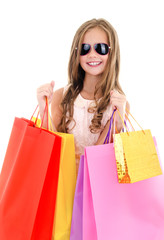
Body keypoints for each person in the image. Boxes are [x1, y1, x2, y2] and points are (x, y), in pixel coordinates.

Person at [37, 18, 129, 173]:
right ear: (76, 53)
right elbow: (53, 148)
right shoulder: (61, 96)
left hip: (98, 185)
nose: (92, 54)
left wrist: (118, 121)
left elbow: (104, 156)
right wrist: (43, 109)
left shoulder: (117, 103)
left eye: (100, 48)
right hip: (66, 184)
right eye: (84, 48)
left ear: (112, 52)